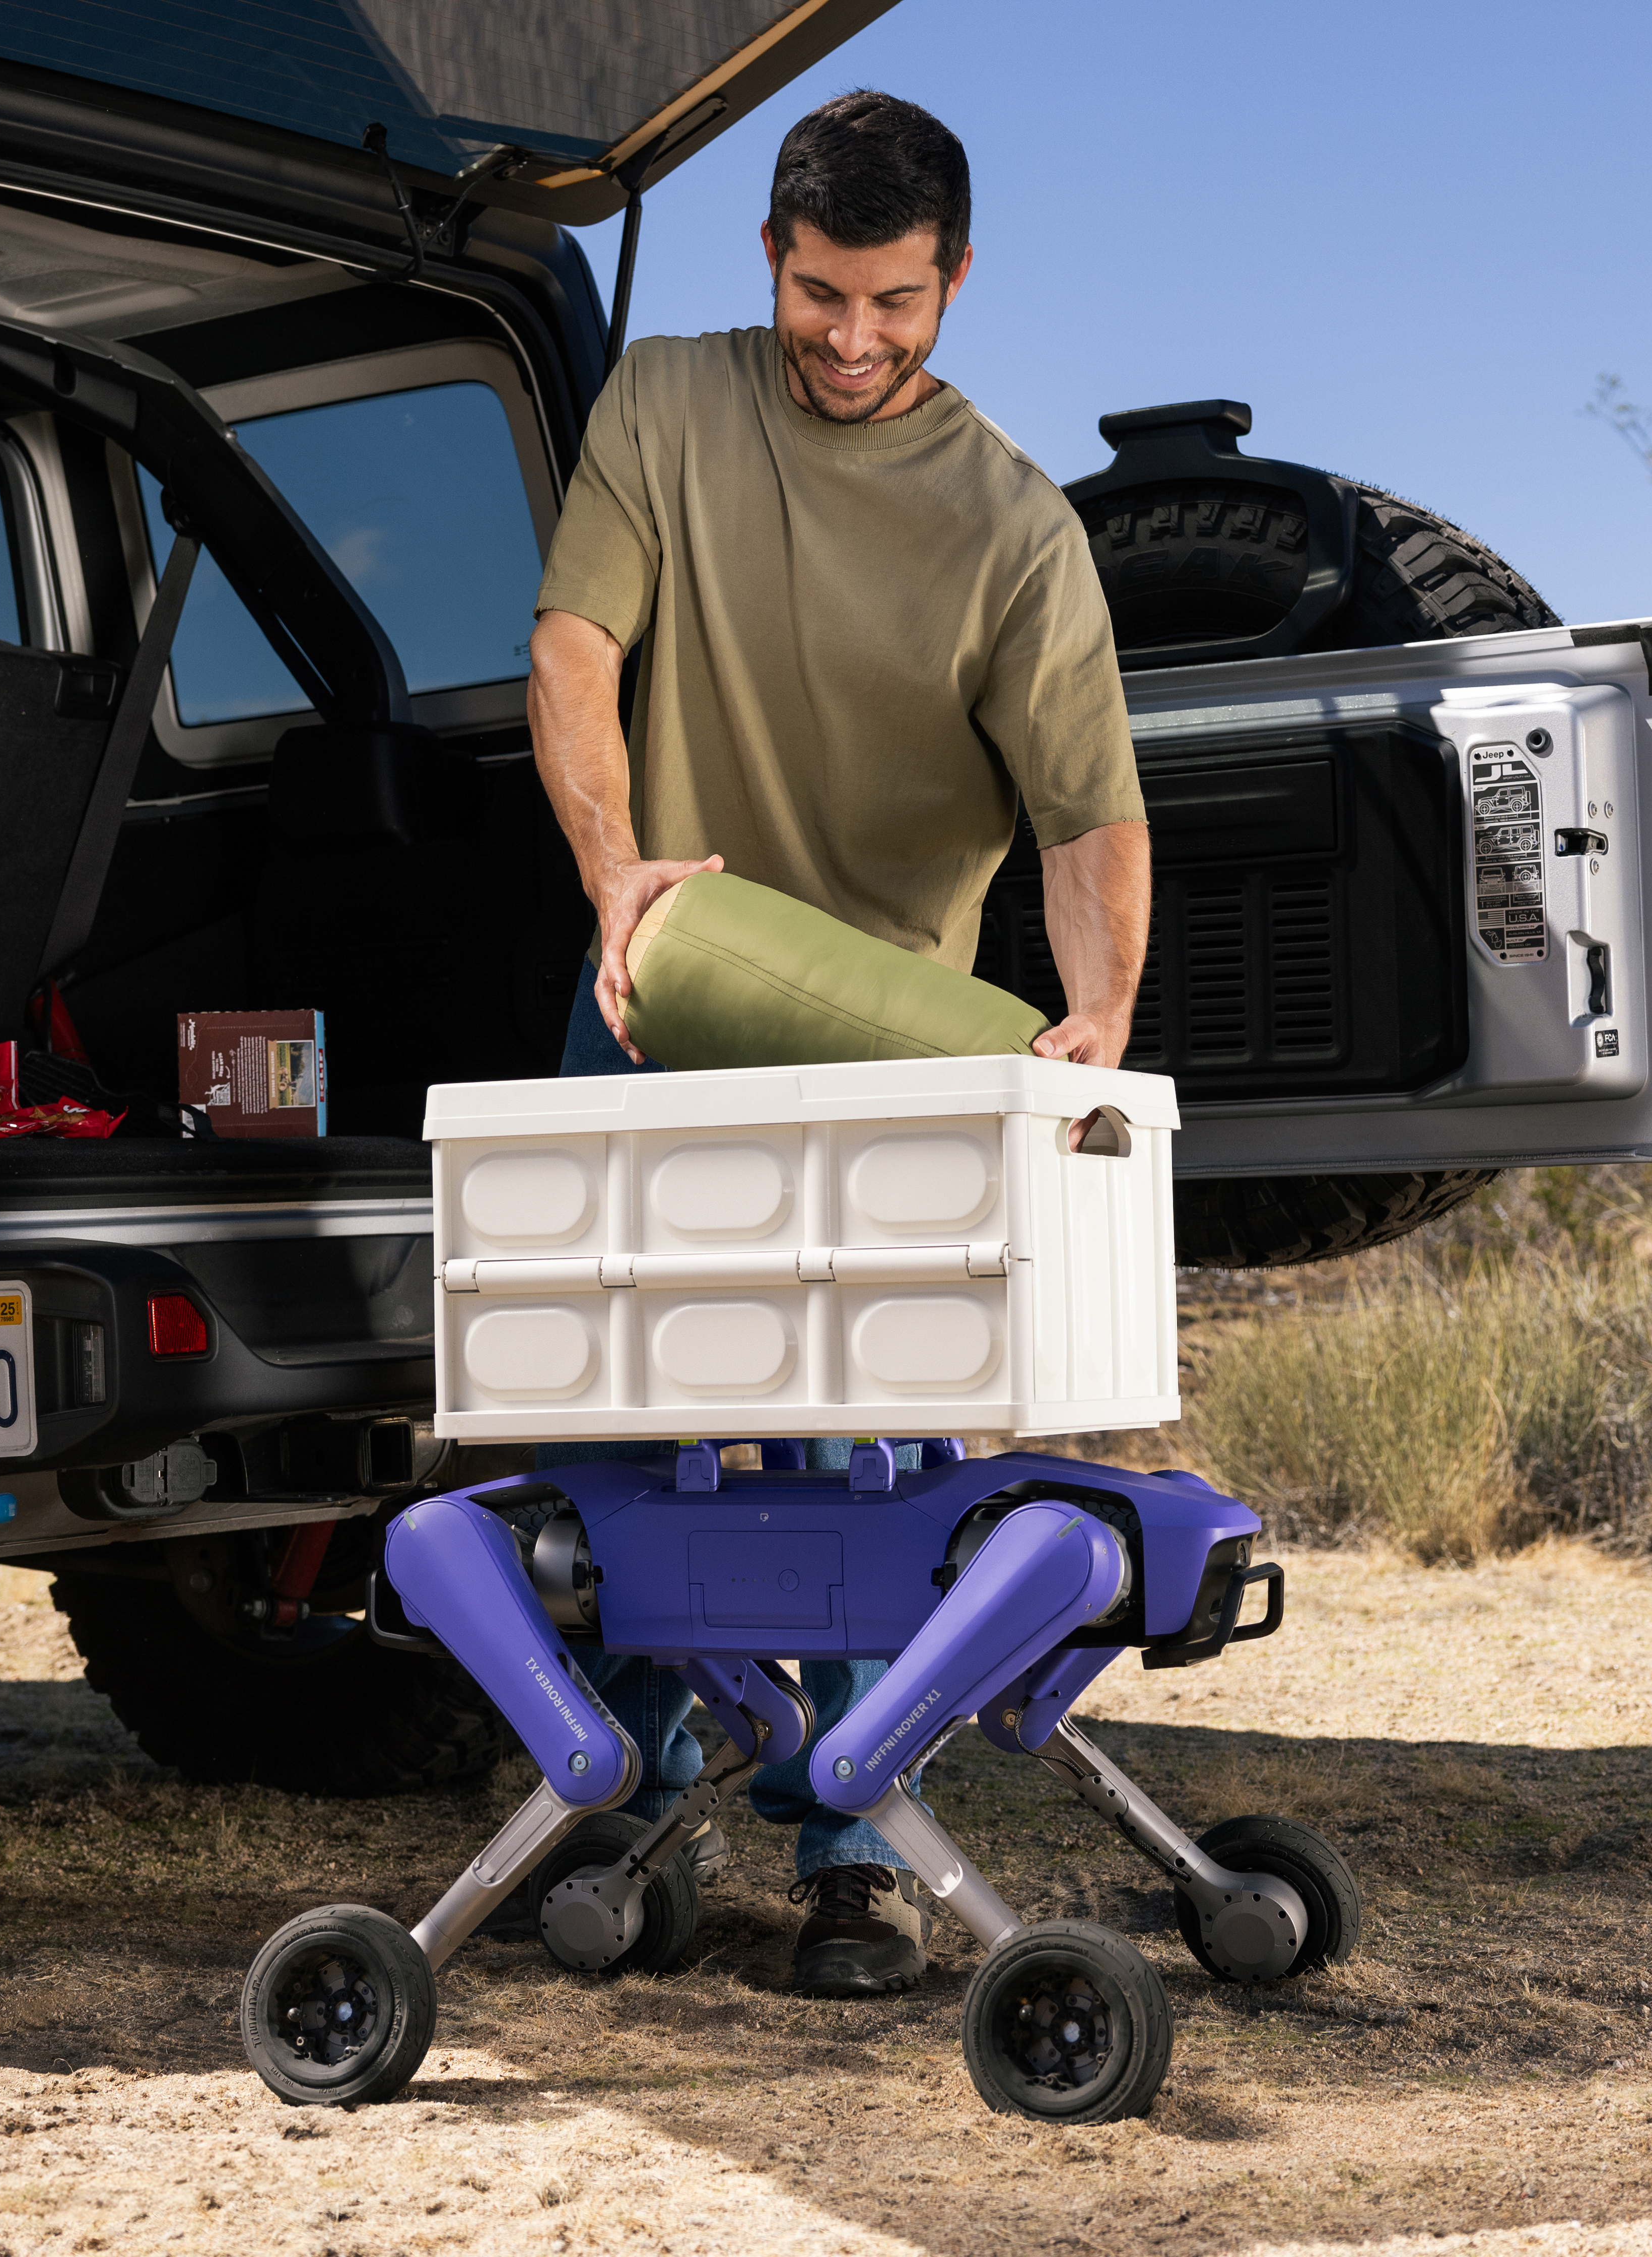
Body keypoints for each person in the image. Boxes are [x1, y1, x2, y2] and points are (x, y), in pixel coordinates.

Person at [524, 89, 1151, 1997]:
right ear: (771, 263)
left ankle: (857, 1854)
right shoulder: (664, 408)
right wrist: (623, 876)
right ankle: (622, 1795)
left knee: (865, 1464)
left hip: (876, 1049)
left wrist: (1098, 1030)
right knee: (607, 1412)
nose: (855, 340)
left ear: (955, 280)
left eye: (895, 301)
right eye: (820, 295)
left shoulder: (1015, 532)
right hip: (650, 993)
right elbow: (573, 654)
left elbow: (1087, 825)